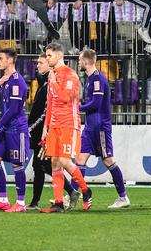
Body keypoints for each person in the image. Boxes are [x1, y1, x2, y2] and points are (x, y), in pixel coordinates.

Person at [70, 49, 130, 209]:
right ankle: (72, 196)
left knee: (108, 160)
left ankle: (123, 197)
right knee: (79, 161)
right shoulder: (90, 79)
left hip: (100, 127)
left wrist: (77, 107)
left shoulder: (97, 79)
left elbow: (96, 104)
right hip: (90, 127)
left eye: (80, 59)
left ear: (86, 61)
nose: (78, 62)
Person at [40, 42, 92, 213]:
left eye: (49, 56)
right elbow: (51, 103)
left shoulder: (70, 75)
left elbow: (64, 98)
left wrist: (54, 82)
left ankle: (85, 191)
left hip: (69, 124)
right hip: (54, 125)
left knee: (63, 160)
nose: (47, 59)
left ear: (59, 55)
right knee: (54, 161)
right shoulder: (52, 75)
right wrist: (45, 127)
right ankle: (58, 203)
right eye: (46, 56)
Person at [27, 53, 78, 209]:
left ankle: (70, 192)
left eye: (41, 62)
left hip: (44, 131)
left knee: (45, 164)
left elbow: (45, 112)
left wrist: (32, 128)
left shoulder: (49, 85)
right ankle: (69, 191)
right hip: (41, 130)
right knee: (42, 165)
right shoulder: (44, 84)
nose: (38, 65)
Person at [0, 48, 30, 212]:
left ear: (10, 60)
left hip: (17, 129)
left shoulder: (18, 81)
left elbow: (13, 110)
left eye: (0, 58)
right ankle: (3, 199)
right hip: (4, 128)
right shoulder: (5, 81)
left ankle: (21, 203)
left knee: (17, 165)